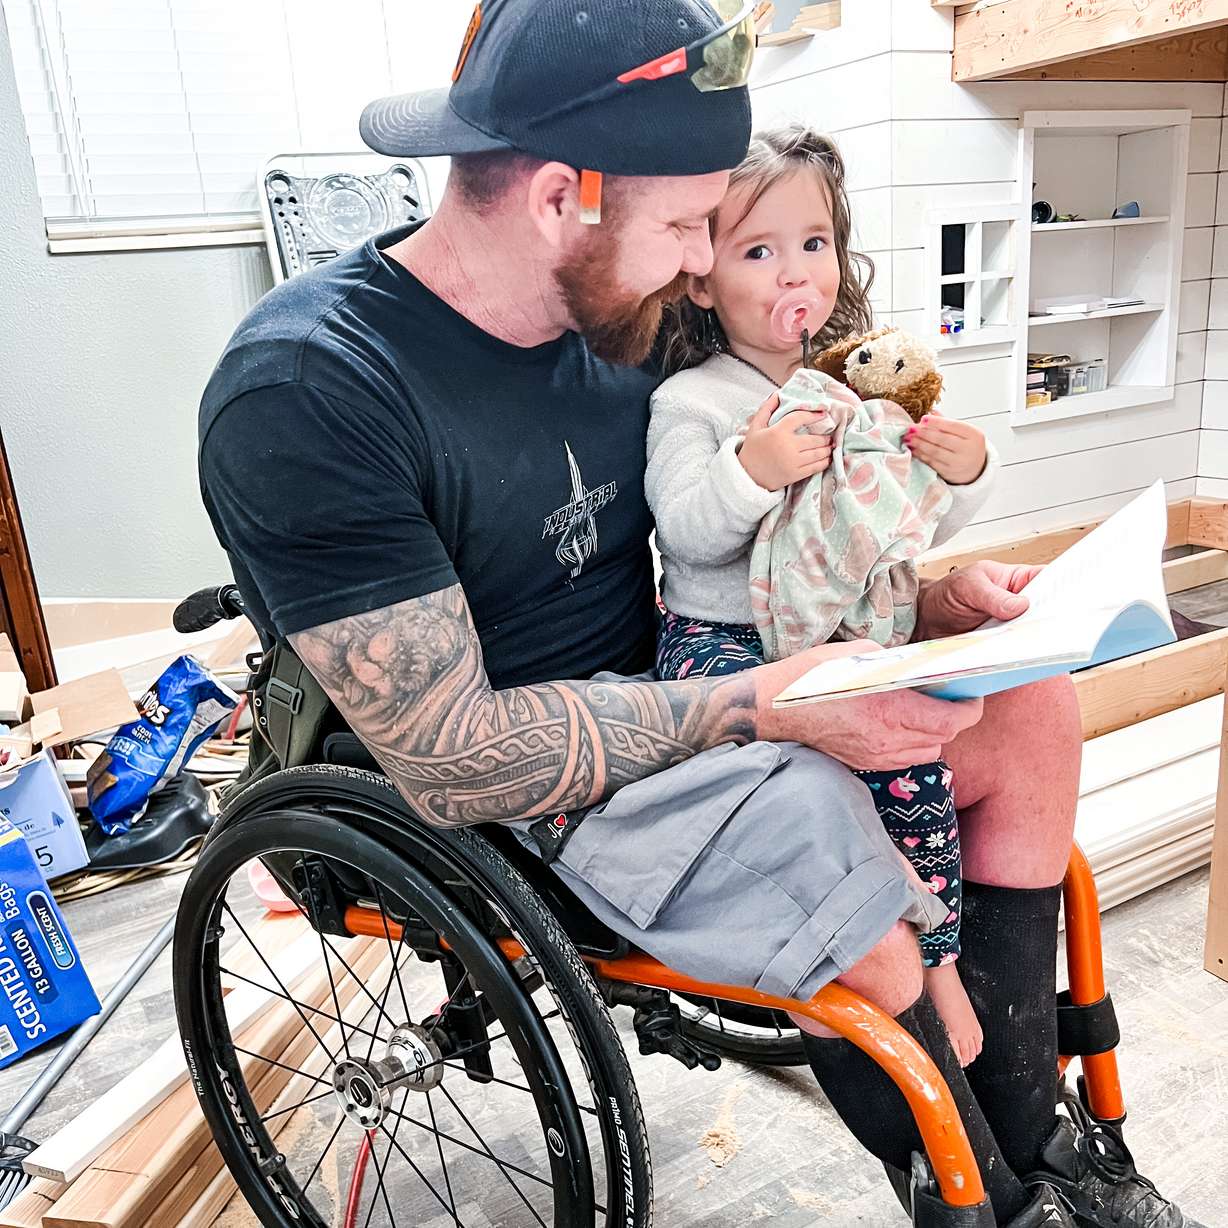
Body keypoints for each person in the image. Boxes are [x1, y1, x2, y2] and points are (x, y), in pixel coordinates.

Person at [196, 3, 1202, 1224]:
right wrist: (776, 708)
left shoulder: (618, 324)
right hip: (531, 791)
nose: (696, 261)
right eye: (684, 224)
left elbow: (736, 551)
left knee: (1027, 708)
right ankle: (981, 1198)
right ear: (561, 195)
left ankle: (1042, 1144)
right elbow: (457, 760)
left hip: (704, 691)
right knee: (835, 830)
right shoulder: (311, 392)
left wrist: (930, 601)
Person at [649, 124, 999, 1067]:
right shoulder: (693, 402)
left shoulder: (865, 391)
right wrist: (752, 471)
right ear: (700, 277)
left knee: (911, 761)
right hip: (719, 645)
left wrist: (959, 475)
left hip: (844, 634)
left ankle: (943, 960)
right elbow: (683, 529)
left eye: (814, 243)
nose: (794, 272)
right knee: (837, 785)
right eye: (757, 251)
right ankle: (895, 964)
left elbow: (904, 526)